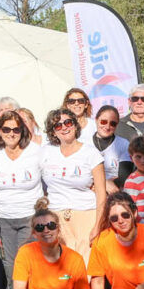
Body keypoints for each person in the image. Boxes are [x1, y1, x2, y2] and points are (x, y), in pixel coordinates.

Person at [0, 110, 44, 289]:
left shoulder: (36, 151)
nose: (11, 133)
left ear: (22, 131)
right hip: (4, 217)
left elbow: (51, 177)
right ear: (0, 131)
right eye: (6, 129)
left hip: (30, 216)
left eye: (15, 129)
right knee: (10, 264)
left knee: (28, 262)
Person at [40, 108, 106, 263]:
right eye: (58, 125)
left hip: (86, 214)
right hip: (56, 218)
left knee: (86, 265)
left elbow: (101, 193)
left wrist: (98, 224)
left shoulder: (91, 153)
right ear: (53, 132)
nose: (64, 127)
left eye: (68, 122)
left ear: (75, 126)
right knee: (62, 266)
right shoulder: (45, 152)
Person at [90, 105, 133, 193]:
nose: (107, 126)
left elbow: (124, 176)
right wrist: (103, 183)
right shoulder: (84, 143)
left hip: (113, 193)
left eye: (113, 123)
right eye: (103, 121)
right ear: (96, 120)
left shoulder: (124, 144)